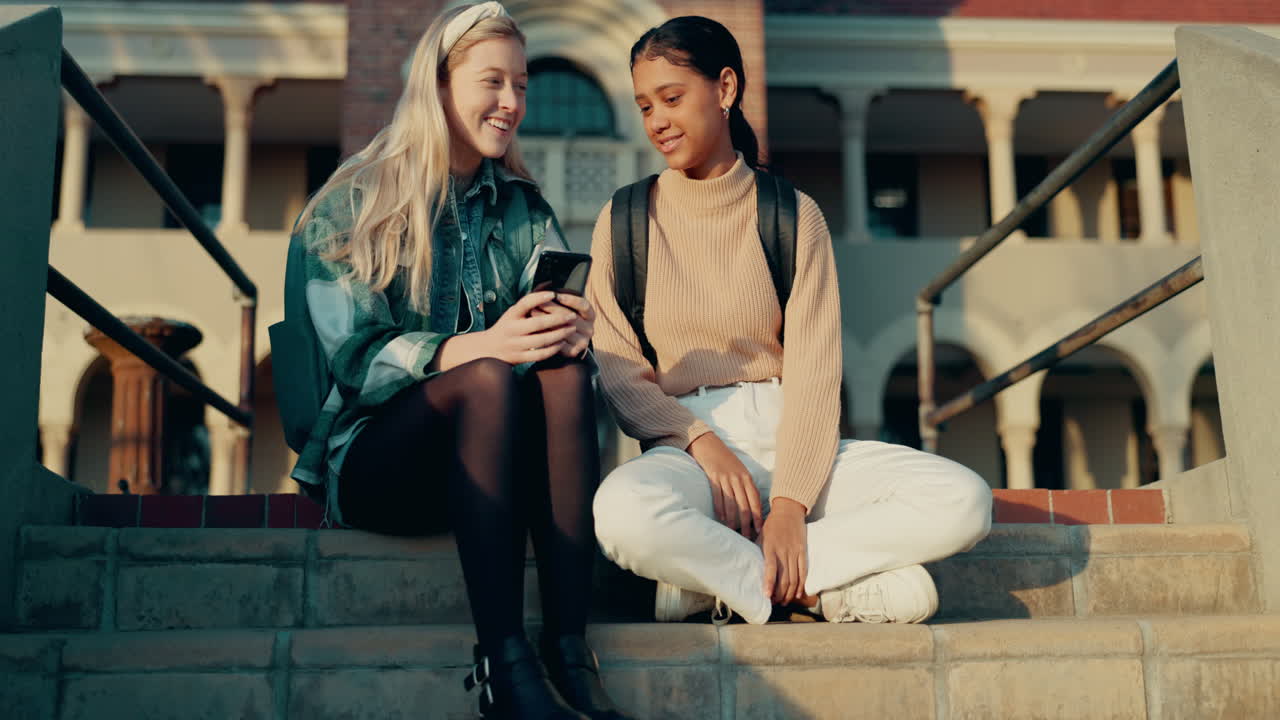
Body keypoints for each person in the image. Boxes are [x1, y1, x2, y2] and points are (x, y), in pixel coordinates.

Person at [588, 16, 993, 628]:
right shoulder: (623, 221)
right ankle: (824, 592)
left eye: (671, 98)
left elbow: (814, 373)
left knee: (965, 501)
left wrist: (789, 508)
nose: (657, 121)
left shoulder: (793, 215)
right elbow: (619, 371)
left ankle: (720, 585)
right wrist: (698, 440)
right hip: (687, 450)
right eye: (645, 106)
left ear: (725, 89)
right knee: (621, 515)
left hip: (796, 437)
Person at [283, 4, 629, 718]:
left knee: (566, 376)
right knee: (486, 380)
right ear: (437, 85)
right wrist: (483, 347)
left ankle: (568, 648)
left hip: (493, 469)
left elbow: (539, 344)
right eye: (492, 81)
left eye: (522, 86)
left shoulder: (523, 207)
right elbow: (356, 361)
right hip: (378, 463)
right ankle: (502, 662)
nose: (512, 102)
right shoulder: (354, 201)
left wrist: (566, 333)